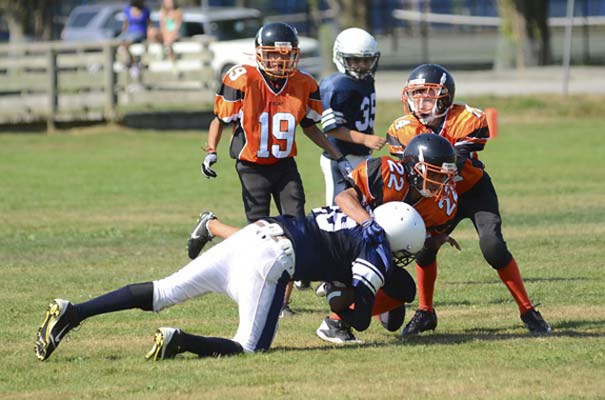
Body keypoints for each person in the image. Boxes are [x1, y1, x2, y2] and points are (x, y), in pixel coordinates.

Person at [34, 202, 425, 362]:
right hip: (274, 258)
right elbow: (357, 321)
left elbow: (333, 239)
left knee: (162, 290)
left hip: (255, 233)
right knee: (249, 347)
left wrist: (336, 283)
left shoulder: (358, 220)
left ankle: (74, 311)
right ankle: (179, 340)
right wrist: (347, 298)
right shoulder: (376, 246)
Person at [189, 22, 359, 316]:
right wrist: (211, 151)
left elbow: (310, 127)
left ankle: (282, 303)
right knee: (261, 237)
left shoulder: (303, 83)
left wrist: (337, 155)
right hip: (251, 167)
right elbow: (220, 119)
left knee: (297, 230)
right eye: (273, 55)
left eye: (286, 55)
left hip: (284, 166)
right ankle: (211, 226)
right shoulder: (243, 79)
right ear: (259, 54)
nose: (280, 61)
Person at [386, 63, 551, 335]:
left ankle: (528, 310)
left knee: (493, 247)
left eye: (427, 94)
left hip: (471, 190)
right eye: (415, 94)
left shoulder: (467, 118)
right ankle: (426, 312)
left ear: (444, 96)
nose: (419, 101)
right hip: (434, 194)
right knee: (424, 248)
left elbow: (456, 164)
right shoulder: (402, 128)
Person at [315, 133, 462, 343]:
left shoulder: (440, 203)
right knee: (398, 287)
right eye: (435, 175)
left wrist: (434, 240)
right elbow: (343, 198)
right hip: (349, 243)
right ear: (414, 167)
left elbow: (416, 239)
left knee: (394, 316)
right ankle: (336, 319)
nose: (440, 183)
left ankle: (343, 287)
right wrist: (368, 223)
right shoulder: (385, 172)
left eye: (444, 177)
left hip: (381, 255)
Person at [319, 27, 386, 206]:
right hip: (340, 156)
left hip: (361, 155)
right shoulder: (336, 86)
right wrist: (365, 139)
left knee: (367, 203)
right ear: (341, 57)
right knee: (339, 207)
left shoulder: (366, 80)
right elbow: (331, 129)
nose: (362, 65)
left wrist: (367, 138)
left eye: (367, 60)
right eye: (355, 60)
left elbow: (360, 116)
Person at [118, 0, 151, 80]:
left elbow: (149, 24)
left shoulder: (145, 10)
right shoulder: (127, 9)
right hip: (129, 32)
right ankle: (132, 63)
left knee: (127, 43)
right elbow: (126, 24)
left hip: (140, 32)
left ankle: (132, 63)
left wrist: (149, 37)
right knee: (117, 42)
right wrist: (123, 34)